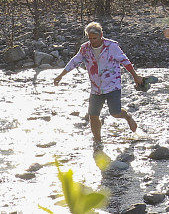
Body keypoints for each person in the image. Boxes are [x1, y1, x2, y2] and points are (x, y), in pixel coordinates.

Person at [53, 21, 144, 149]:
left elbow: (125, 61)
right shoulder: (85, 48)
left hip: (112, 85)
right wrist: (61, 75)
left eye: (94, 38)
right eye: (90, 38)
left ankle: (127, 117)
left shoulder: (112, 46)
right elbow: (74, 61)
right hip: (96, 88)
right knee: (93, 115)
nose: (92, 41)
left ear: (101, 35)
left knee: (115, 113)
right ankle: (97, 142)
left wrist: (135, 76)